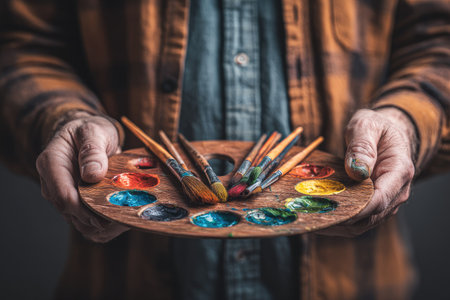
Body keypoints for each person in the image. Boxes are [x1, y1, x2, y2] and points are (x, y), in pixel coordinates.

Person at [0, 0, 449, 299]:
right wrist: (61, 118)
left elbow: (439, 41)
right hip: (124, 281)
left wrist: (405, 121)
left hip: (357, 282)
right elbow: (24, 46)